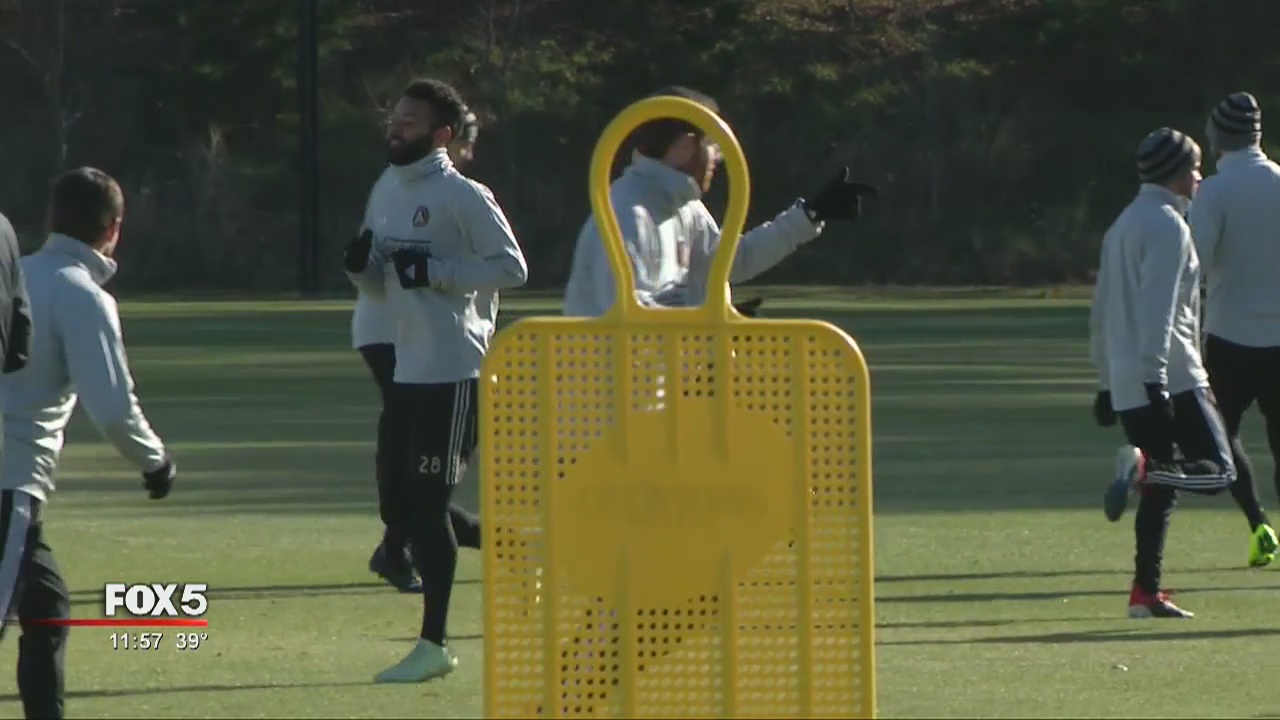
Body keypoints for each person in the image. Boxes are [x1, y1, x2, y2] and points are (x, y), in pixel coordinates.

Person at [344, 79, 527, 683]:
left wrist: (440, 271)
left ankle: (434, 644)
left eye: (411, 121)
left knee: (424, 509)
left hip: (452, 368)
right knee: (401, 506)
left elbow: (512, 268)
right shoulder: (386, 186)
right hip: (405, 361)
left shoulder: (463, 195)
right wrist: (361, 271)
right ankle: (520, 551)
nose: (396, 127)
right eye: (395, 117)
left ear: (440, 135)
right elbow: (383, 282)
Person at [0, 168, 176, 718]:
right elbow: (112, 408)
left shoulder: (17, 273)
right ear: (114, 229)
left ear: (52, 218)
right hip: (9, 484)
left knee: (47, 606)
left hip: (15, 489)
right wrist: (156, 462)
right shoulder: (82, 295)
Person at [562, 86, 876, 318]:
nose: (718, 159)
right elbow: (628, 311)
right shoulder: (628, 214)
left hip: (652, 390)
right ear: (686, 146)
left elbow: (728, 262)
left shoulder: (682, 206)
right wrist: (710, 320)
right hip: (605, 400)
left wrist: (807, 216)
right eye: (714, 146)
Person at [1089, 128, 1237, 619]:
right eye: (1193, 167)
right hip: (1172, 374)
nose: (1199, 175)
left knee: (1163, 492)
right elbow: (1159, 312)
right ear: (1175, 174)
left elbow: (1102, 309)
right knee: (1218, 470)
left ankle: (1144, 592)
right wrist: (1158, 380)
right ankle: (1144, 468)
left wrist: (1108, 382)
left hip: (1130, 376)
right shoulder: (1168, 227)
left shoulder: (1123, 224)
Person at [355, 106, 483, 594]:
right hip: (399, 332)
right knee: (433, 460)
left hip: (398, 330)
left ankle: (399, 543)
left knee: (429, 457)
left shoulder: (432, 190)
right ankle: (411, 543)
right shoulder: (412, 186)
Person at [1187, 91, 1280, 567]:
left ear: (1221, 136)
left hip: (1230, 338)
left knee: (1220, 438)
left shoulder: (1216, 192)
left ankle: (1258, 523)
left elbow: (1192, 263)